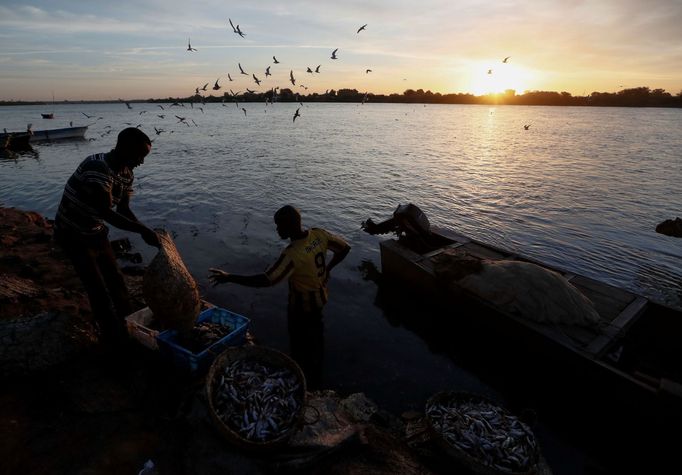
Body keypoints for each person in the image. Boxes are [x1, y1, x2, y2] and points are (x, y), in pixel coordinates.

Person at [209, 205, 350, 388]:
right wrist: (328, 269)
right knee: (316, 340)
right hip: (320, 301)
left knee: (299, 345)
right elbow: (345, 248)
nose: (277, 230)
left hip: (300, 309)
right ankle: (317, 378)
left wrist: (229, 278)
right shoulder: (319, 234)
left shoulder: (292, 254)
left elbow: (267, 280)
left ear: (289, 226)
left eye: (279, 226)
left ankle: (301, 380)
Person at [54, 127, 160, 346]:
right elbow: (106, 212)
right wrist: (142, 231)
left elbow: (123, 210)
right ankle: (111, 337)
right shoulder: (97, 167)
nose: (141, 162)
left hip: (96, 231)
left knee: (116, 281)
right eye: (139, 156)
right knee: (97, 288)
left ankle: (129, 326)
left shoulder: (126, 173)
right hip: (72, 233)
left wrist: (145, 229)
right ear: (124, 148)